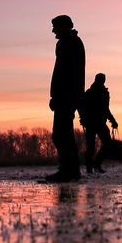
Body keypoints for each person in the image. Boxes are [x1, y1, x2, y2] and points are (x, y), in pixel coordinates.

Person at [46, 14, 85, 182]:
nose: (53, 30)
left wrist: (59, 96)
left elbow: (66, 73)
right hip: (66, 95)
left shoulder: (71, 43)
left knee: (61, 134)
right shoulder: (66, 43)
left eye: (56, 27)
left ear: (64, 27)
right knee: (63, 134)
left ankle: (68, 171)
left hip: (67, 95)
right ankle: (70, 170)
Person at [80, 73, 118, 174]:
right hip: (91, 123)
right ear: (97, 79)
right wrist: (83, 119)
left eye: (103, 79)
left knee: (107, 144)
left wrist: (113, 120)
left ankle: (96, 165)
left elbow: (106, 109)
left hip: (100, 123)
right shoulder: (89, 93)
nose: (102, 81)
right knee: (91, 147)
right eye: (101, 79)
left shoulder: (105, 93)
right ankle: (90, 169)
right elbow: (82, 107)